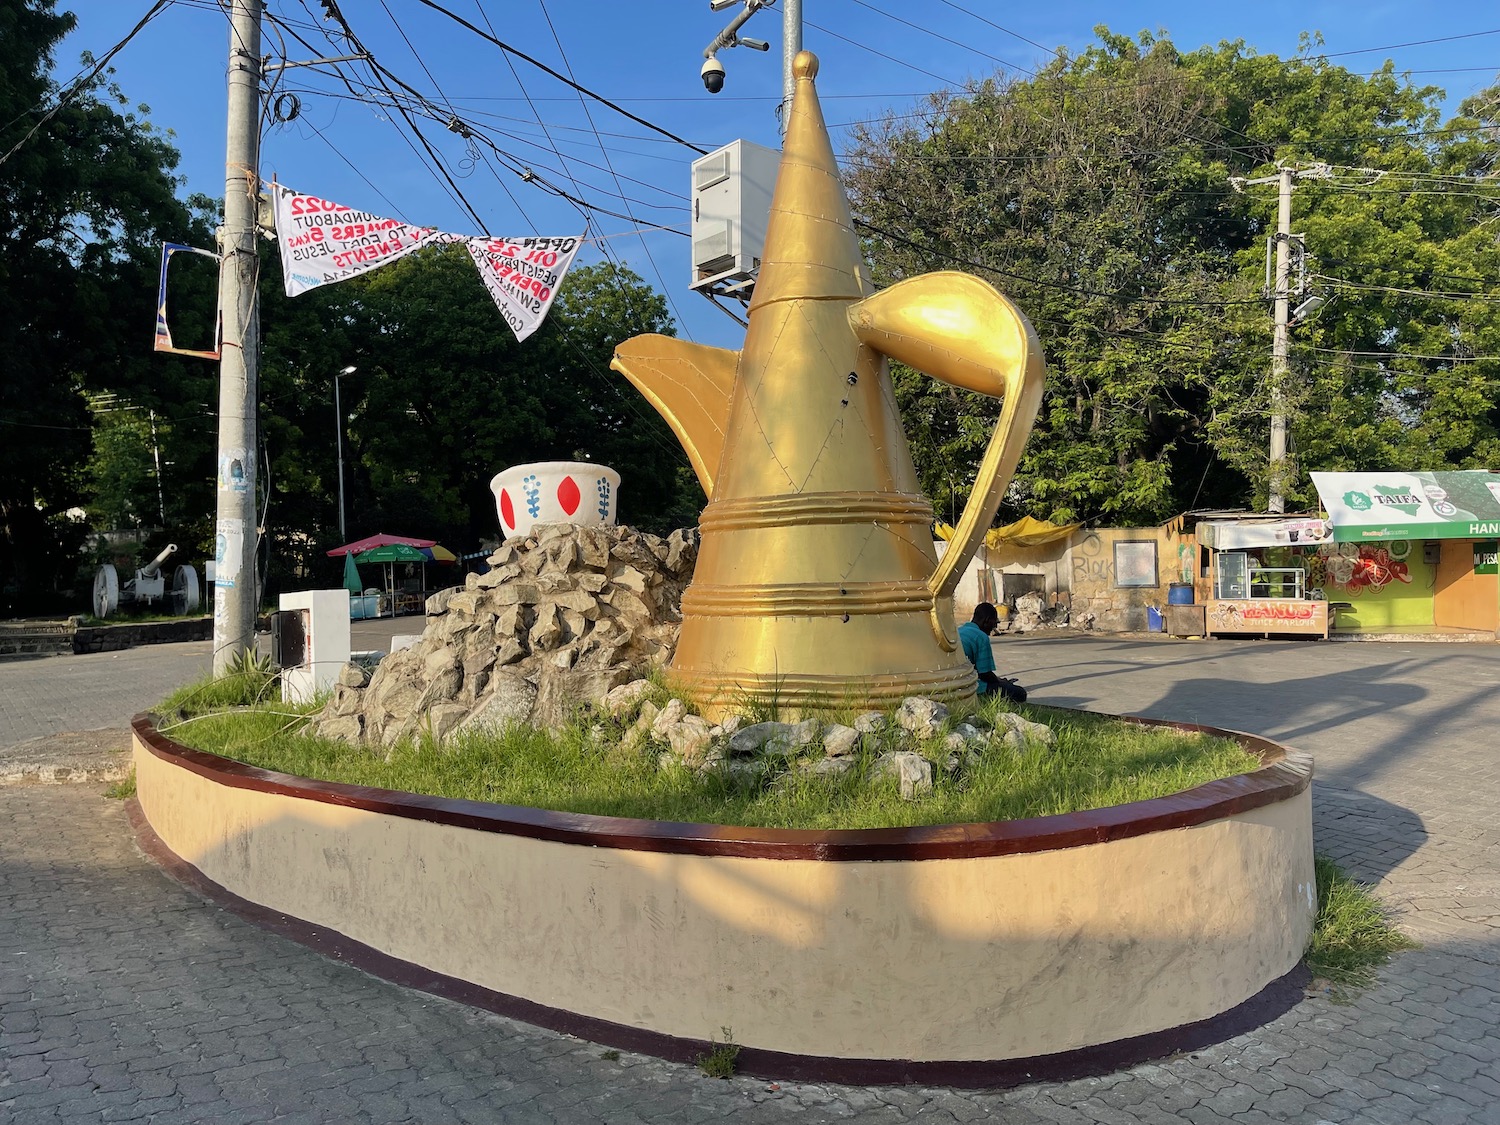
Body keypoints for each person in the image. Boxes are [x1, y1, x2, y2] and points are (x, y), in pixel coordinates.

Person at [958, 602, 1027, 703]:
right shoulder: (980, 636)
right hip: (969, 686)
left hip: (955, 682)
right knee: (1020, 693)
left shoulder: (959, 630)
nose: (994, 627)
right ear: (987, 620)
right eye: (994, 623)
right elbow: (985, 674)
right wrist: (1001, 682)